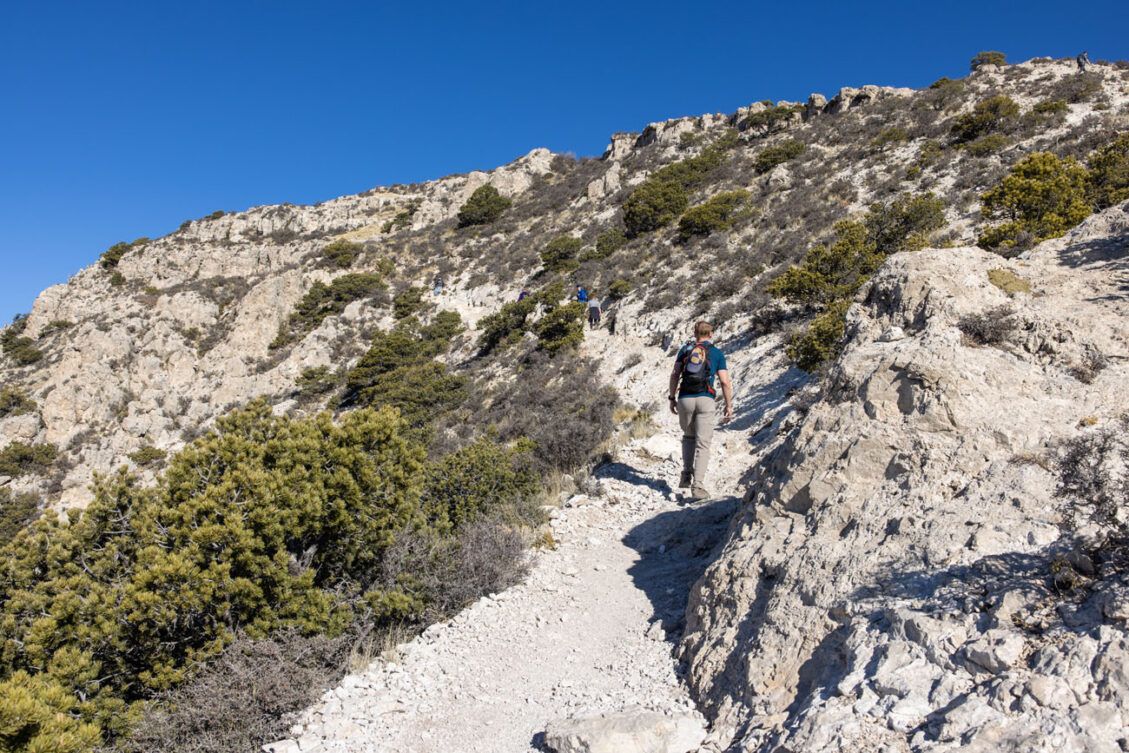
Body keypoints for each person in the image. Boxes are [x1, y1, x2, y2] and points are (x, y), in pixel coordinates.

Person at [668, 321, 733, 501]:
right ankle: (698, 487)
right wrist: (729, 405)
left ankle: (686, 473)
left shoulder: (685, 350)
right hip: (706, 399)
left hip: (685, 399)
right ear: (711, 334)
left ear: (695, 333)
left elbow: (675, 374)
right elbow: (725, 382)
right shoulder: (717, 353)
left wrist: (672, 398)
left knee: (688, 436)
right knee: (703, 444)